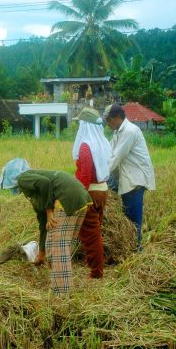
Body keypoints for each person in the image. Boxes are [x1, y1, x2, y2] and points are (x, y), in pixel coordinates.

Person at [0, 158, 92, 295]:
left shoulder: (23, 178)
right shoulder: (35, 192)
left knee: (57, 245)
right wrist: (41, 253)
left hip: (67, 198)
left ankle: (61, 295)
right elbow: (43, 225)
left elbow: (45, 183)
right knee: (60, 245)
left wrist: (49, 211)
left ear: (11, 178)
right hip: (79, 197)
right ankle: (64, 288)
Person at [103, 104, 156, 250]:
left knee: (133, 217)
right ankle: (130, 246)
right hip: (126, 176)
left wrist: (101, 176)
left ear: (118, 117)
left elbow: (116, 157)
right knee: (126, 214)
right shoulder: (117, 132)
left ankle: (137, 248)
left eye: (110, 120)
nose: (108, 123)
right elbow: (109, 153)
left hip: (135, 178)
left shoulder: (130, 131)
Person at [72, 107, 111, 279]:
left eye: (80, 123)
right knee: (95, 231)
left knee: (91, 235)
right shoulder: (102, 143)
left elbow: (85, 176)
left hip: (90, 193)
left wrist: (76, 197)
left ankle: (96, 273)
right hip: (102, 191)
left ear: (85, 125)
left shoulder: (86, 146)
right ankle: (93, 265)